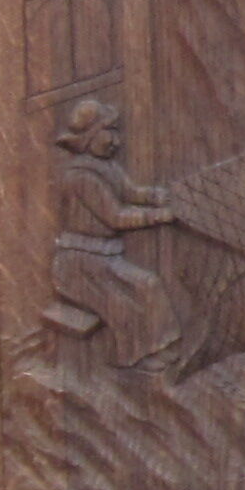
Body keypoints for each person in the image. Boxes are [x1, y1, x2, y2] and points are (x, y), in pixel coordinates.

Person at [40, 98, 180, 365]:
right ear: (90, 136)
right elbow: (115, 217)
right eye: (109, 132)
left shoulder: (107, 166)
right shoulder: (81, 177)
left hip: (105, 261)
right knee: (122, 307)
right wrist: (159, 216)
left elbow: (131, 192)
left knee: (149, 284)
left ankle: (161, 346)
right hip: (79, 265)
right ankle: (134, 359)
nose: (116, 140)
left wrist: (161, 196)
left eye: (116, 131)